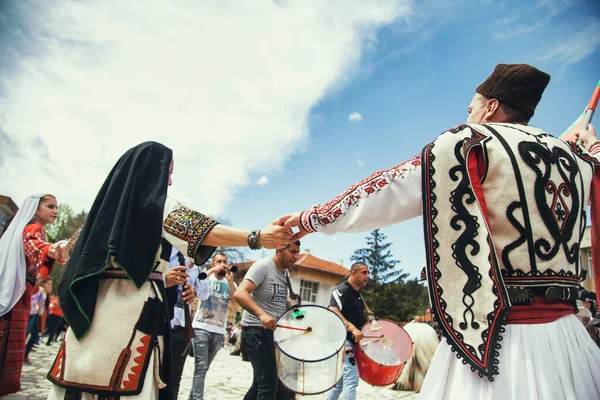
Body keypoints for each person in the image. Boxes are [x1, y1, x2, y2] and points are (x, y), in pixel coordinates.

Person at [278, 64, 600, 398]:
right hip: (570, 340)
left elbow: (389, 190)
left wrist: (309, 219)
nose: (469, 113)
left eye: (472, 107)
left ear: (491, 107)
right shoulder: (575, 160)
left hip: (493, 340)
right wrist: (592, 151)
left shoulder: (469, 143)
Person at [46, 141, 293, 400]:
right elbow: (200, 230)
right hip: (132, 310)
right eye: (169, 173)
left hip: (94, 310)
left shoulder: (104, 212)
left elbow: (69, 248)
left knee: (82, 380)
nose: (170, 182)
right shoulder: (157, 204)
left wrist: (60, 247)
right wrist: (257, 237)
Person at [0, 194, 65, 396]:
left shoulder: (38, 229)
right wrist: (53, 249)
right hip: (16, 293)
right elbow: (34, 245)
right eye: (50, 206)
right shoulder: (33, 228)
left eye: (56, 207)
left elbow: (40, 260)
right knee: (6, 335)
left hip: (22, 291)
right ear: (36, 209)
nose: (55, 211)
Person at [233, 241, 301, 400]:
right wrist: (262, 315)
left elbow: (284, 304)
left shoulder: (285, 274)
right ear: (279, 250)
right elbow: (240, 293)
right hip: (255, 332)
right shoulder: (263, 266)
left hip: (271, 334)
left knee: (260, 384)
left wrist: (300, 318)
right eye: (292, 251)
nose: (296, 256)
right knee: (268, 386)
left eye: (297, 252)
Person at [188, 252, 236, 400]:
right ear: (213, 264)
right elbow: (196, 286)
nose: (223, 264)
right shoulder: (206, 277)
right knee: (200, 367)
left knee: (203, 369)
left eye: (225, 261)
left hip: (219, 331)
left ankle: (192, 397)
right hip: (201, 328)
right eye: (219, 261)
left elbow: (236, 299)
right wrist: (210, 272)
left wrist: (230, 281)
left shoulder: (230, 282)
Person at [323, 262, 368, 400]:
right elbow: (333, 310)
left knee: (340, 383)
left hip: (350, 342)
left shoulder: (357, 294)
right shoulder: (342, 290)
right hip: (343, 341)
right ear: (353, 273)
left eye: (368, 272)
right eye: (364, 272)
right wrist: (352, 328)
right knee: (351, 379)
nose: (368, 276)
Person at [164, 249, 203, 399]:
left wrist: (191, 293)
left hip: (181, 325)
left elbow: (203, 294)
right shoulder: (160, 248)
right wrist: (164, 280)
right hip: (159, 323)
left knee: (174, 379)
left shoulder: (193, 264)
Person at [24, 277, 52, 363]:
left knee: (35, 335)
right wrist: (37, 308)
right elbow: (33, 301)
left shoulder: (44, 293)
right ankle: (21, 354)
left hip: (36, 315)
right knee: (25, 333)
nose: (50, 286)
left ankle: (25, 354)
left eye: (50, 284)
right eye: (48, 284)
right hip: (32, 314)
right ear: (43, 283)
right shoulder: (39, 290)